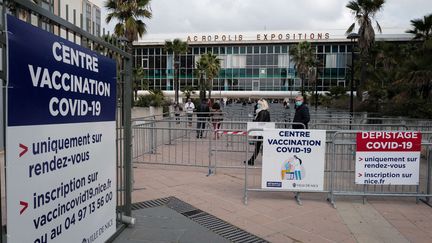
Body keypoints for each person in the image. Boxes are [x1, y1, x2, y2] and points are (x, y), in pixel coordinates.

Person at [245, 99, 270, 166]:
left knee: (259, 147)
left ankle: (252, 160)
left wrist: (254, 122)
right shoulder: (264, 112)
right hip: (263, 132)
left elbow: (260, 122)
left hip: (261, 132)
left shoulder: (262, 112)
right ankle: (252, 160)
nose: (257, 105)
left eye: (259, 104)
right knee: (259, 147)